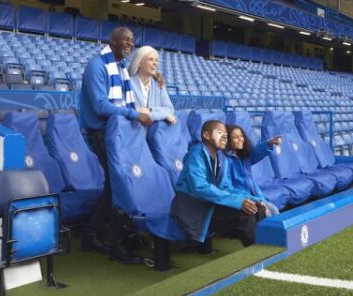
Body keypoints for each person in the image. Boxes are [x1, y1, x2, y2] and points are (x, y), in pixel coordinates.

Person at [79, 26, 153, 264]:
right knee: (117, 184)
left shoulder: (121, 69)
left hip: (118, 134)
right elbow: (100, 107)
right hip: (101, 133)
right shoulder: (96, 67)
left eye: (132, 40)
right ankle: (112, 242)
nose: (130, 43)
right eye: (126, 39)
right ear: (112, 41)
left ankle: (95, 234)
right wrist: (134, 116)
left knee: (117, 184)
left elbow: (128, 99)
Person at [171, 120, 264, 249]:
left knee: (257, 207)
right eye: (220, 133)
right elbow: (200, 188)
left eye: (226, 134)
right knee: (246, 214)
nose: (225, 137)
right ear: (206, 136)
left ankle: (267, 248)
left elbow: (225, 188)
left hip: (209, 204)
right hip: (192, 208)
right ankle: (257, 256)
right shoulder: (196, 155)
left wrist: (253, 199)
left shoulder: (221, 157)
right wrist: (238, 202)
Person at [223, 124, 281, 218]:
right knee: (269, 212)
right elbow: (228, 189)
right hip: (242, 199)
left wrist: (268, 144)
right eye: (236, 137)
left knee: (273, 210)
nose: (241, 139)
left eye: (241, 136)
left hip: (255, 196)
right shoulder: (226, 160)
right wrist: (253, 199)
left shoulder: (243, 156)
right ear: (227, 140)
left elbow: (256, 152)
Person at [128, 46, 176, 124]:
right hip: (133, 132)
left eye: (156, 60)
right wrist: (163, 115)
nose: (155, 63)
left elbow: (170, 109)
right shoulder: (128, 83)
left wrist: (150, 110)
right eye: (151, 59)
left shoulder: (159, 85)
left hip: (153, 133)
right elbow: (127, 110)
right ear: (139, 62)